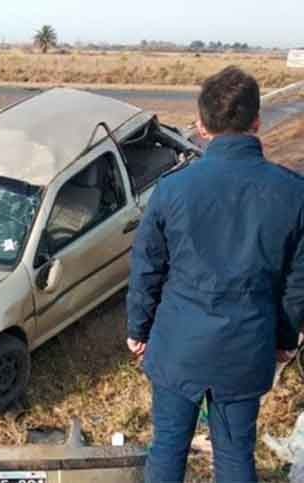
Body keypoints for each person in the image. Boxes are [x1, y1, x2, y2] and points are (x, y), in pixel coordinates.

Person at [127, 66, 304, 483]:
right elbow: (297, 285)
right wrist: (283, 341)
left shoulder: (173, 189)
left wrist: (138, 329)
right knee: (236, 457)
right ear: (257, 122)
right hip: (246, 350)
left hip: (178, 347)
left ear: (202, 126)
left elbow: (147, 267)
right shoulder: (293, 193)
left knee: (167, 453)